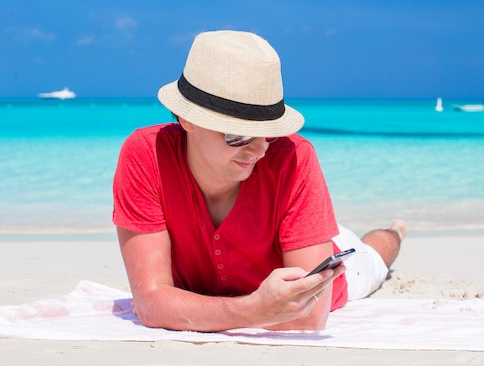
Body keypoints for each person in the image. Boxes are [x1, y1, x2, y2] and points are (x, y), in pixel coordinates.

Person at [112, 30, 405, 332]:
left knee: (375, 252)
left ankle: (397, 229)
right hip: (290, 243)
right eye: (237, 134)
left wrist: (234, 312)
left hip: (332, 260)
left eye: (269, 132)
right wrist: (254, 310)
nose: (260, 149)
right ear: (187, 119)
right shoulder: (147, 155)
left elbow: (310, 315)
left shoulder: (293, 157)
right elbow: (150, 304)